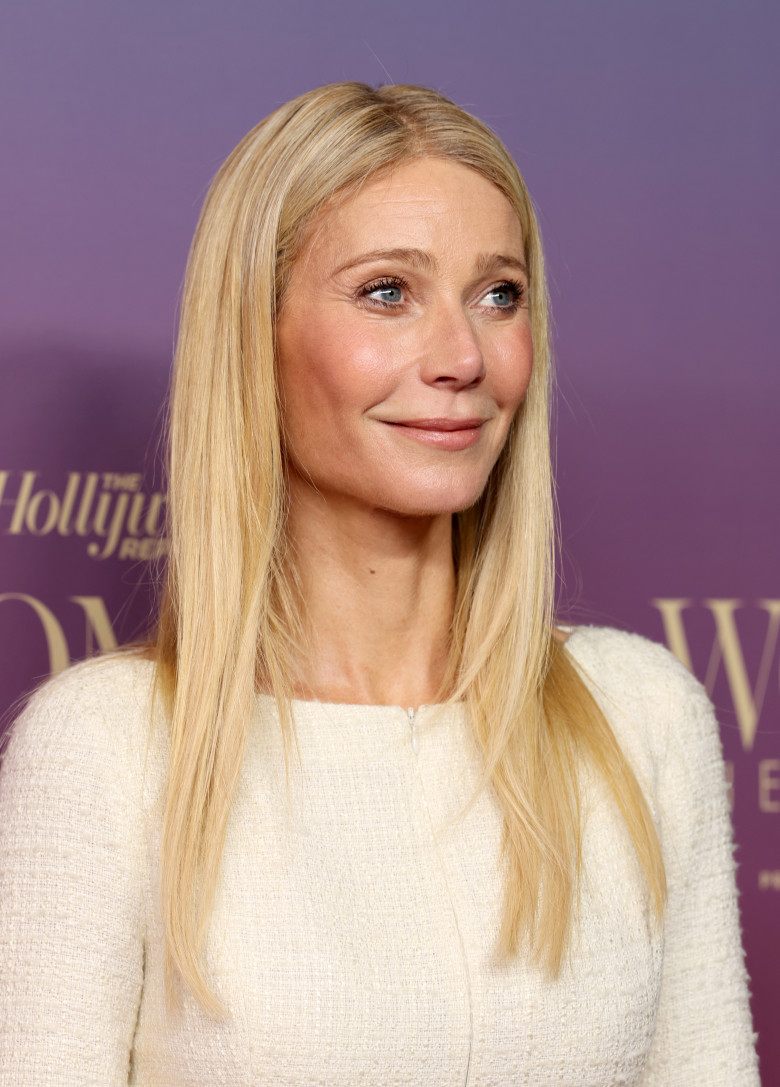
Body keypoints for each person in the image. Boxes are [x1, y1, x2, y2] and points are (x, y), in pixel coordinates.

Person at [0, 82, 759, 1086]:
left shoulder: (642, 716)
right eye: (387, 292)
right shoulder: (107, 747)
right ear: (252, 337)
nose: (461, 357)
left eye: (500, 294)